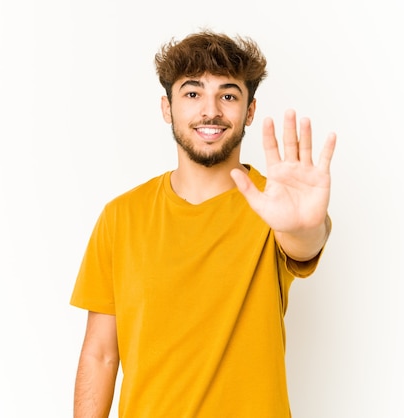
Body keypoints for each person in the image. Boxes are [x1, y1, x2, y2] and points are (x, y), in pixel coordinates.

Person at [70, 30, 336, 418]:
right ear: (167, 108)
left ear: (249, 111)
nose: (210, 111)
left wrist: (305, 226)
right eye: (192, 93)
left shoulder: (274, 204)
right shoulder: (121, 216)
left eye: (228, 95)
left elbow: (305, 240)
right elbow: (100, 355)